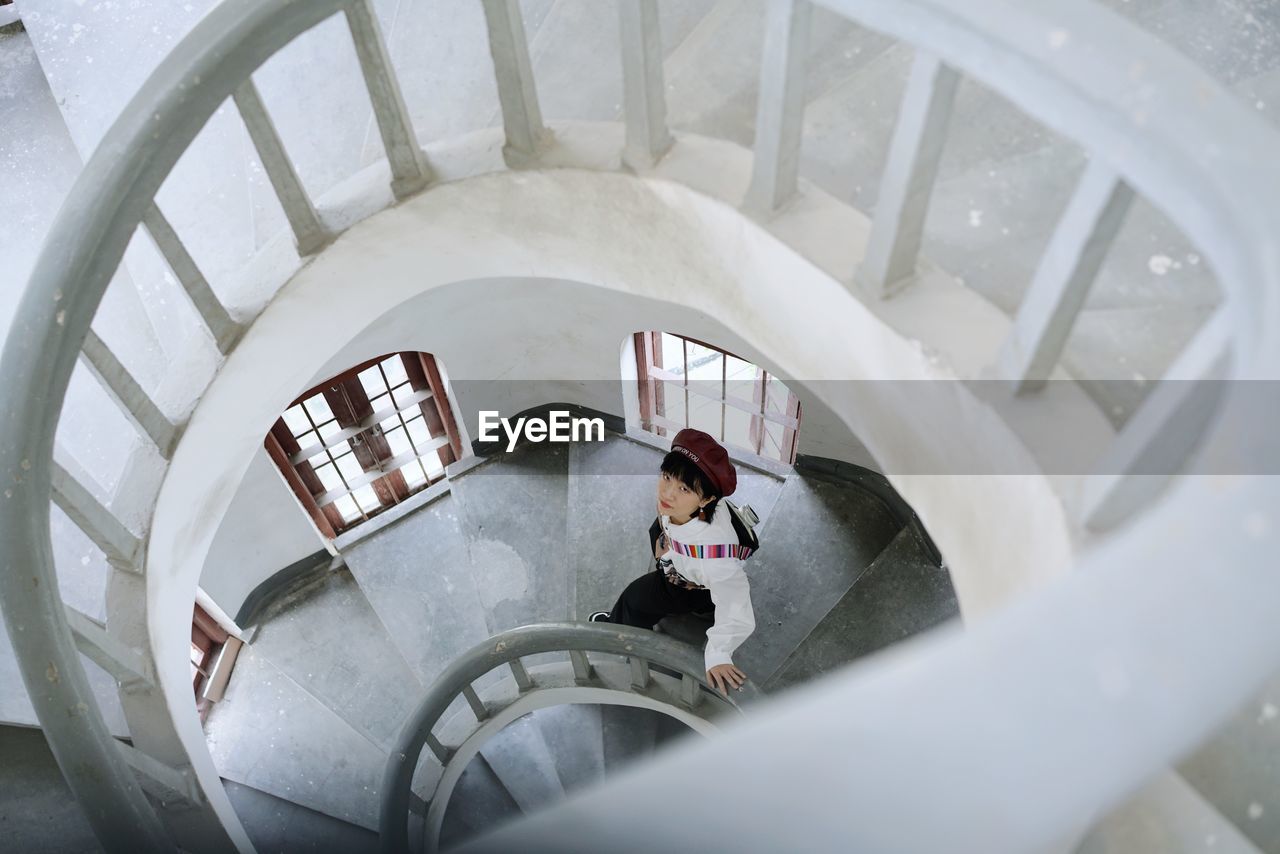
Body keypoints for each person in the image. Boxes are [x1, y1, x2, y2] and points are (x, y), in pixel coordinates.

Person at [590, 428, 756, 695]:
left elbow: (736, 606)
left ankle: (616, 634)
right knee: (656, 532)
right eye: (667, 477)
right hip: (682, 560)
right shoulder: (691, 508)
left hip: (686, 584)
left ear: (707, 499)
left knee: (634, 600)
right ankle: (705, 608)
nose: (668, 493)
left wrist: (718, 654)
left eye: (684, 488)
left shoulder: (716, 561)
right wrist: (665, 551)